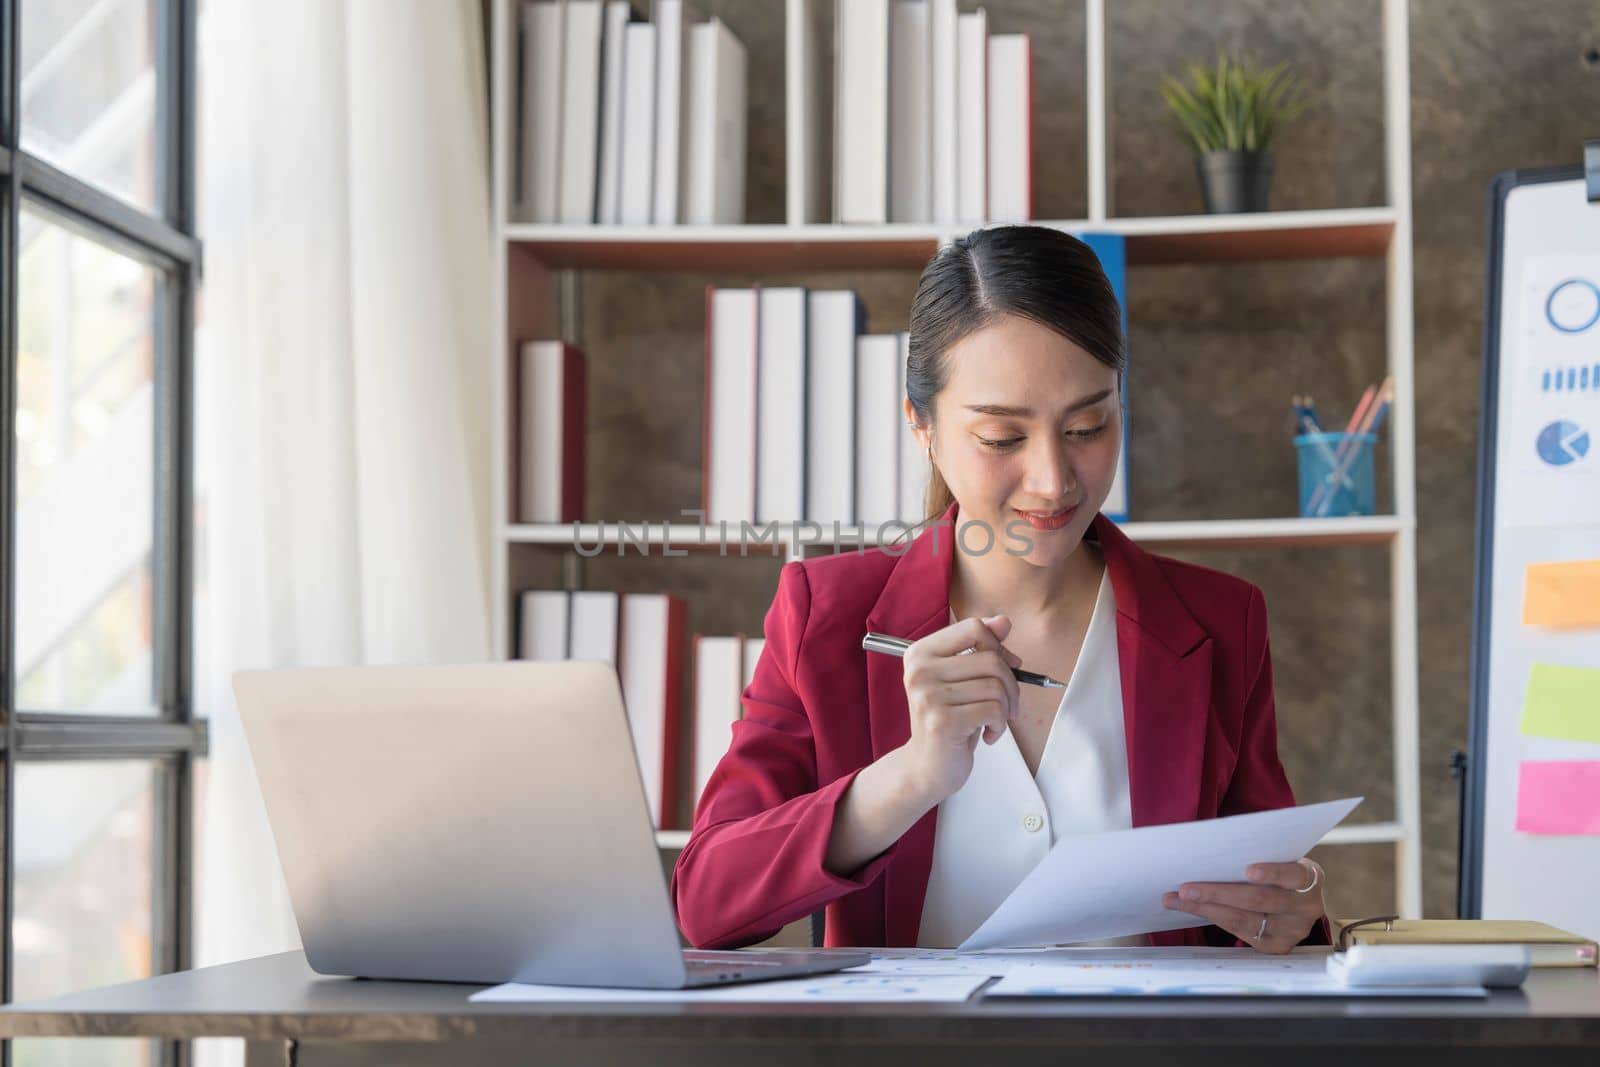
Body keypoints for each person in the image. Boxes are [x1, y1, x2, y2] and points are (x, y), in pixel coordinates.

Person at [671, 225, 1330, 953]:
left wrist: (1291, 920)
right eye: (1002, 438)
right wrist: (908, 778)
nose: (1053, 479)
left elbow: (1270, 914)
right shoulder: (824, 614)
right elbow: (707, 904)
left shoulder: (1220, 622)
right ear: (921, 425)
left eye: (1088, 424)